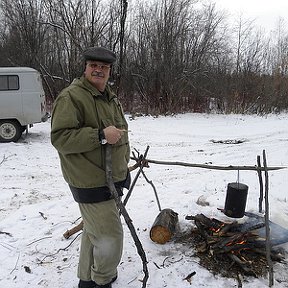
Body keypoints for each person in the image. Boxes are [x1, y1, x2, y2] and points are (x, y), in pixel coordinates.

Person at [51, 47, 130, 288]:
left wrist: (122, 171)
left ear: (109, 71)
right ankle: (102, 281)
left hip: (110, 179)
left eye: (104, 67)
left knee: (93, 232)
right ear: (85, 68)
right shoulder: (72, 96)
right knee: (110, 237)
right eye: (94, 65)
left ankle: (88, 280)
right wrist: (100, 136)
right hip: (90, 182)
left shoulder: (109, 96)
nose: (99, 70)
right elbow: (60, 138)